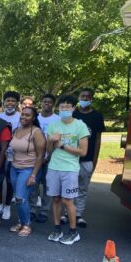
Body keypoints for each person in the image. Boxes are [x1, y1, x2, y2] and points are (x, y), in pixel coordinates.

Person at [46, 94, 89, 245]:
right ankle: (57, 228)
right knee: (56, 199)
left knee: (67, 201)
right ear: (58, 108)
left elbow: (83, 152)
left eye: (68, 106)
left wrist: (63, 146)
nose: (65, 109)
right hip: (53, 167)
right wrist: (51, 141)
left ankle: (73, 231)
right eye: (62, 106)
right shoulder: (54, 126)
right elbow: (49, 150)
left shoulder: (80, 125)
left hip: (70, 168)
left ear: (73, 108)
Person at [69, 88, 105, 227]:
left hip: (87, 159)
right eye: (82, 96)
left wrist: (94, 161)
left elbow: (97, 140)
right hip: (70, 159)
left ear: (92, 99)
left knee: (82, 188)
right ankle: (67, 213)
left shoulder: (97, 116)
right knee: (69, 187)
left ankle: (78, 215)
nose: (85, 98)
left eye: (88, 97)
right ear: (78, 98)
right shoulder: (73, 113)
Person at [8, 107, 46, 237]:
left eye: (27, 115)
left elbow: (41, 156)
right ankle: (20, 221)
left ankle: (27, 224)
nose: (24, 117)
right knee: (19, 197)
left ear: (33, 117)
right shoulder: (16, 130)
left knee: (20, 197)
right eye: (22, 114)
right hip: (14, 168)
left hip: (28, 169)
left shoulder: (37, 132)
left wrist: (33, 175)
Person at [29, 93, 60, 223]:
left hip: (51, 158)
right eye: (45, 101)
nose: (47, 104)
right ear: (41, 103)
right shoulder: (35, 118)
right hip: (34, 157)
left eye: (50, 102)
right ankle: (32, 209)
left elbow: (58, 140)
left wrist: (48, 156)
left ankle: (44, 211)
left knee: (48, 185)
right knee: (33, 184)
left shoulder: (58, 119)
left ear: (53, 104)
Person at [0, 91, 21, 220]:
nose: (10, 103)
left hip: (14, 153)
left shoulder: (20, 117)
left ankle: (7, 206)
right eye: (8, 101)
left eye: (13, 101)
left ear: (17, 103)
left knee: (10, 180)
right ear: (4, 103)